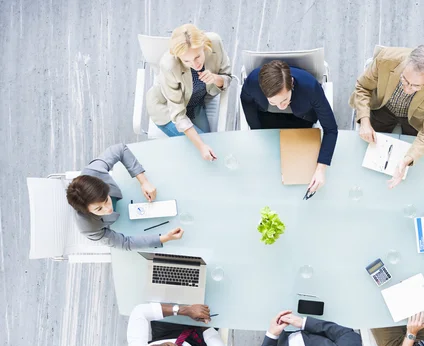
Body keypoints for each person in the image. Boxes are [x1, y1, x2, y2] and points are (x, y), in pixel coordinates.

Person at [349, 45, 424, 189]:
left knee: (414, 171)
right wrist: (365, 122)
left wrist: (407, 160)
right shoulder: (385, 59)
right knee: (365, 155)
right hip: (383, 108)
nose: (407, 89)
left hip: (414, 119)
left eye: (415, 86)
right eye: (404, 79)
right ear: (406, 64)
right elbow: (362, 87)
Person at [240, 60, 338, 193]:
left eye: (284, 100)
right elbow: (246, 100)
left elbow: (331, 129)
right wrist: (256, 130)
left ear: (291, 83)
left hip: (301, 121)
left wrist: (321, 170)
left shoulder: (310, 87)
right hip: (266, 119)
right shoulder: (252, 81)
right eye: (274, 102)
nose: (281, 107)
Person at [66, 144, 183, 250]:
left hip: (129, 195)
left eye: (106, 200)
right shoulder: (89, 228)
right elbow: (124, 243)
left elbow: (120, 149)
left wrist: (144, 182)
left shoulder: (93, 171)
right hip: (122, 224)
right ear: (87, 211)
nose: (108, 208)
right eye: (99, 209)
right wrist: (165, 238)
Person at [146, 24, 232, 161]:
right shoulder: (168, 65)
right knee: (202, 149)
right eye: (186, 60)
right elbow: (178, 115)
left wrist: (215, 78)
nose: (195, 64)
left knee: (211, 146)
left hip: (196, 104)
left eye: (198, 56)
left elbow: (227, 77)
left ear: (204, 45)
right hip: (167, 110)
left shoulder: (215, 42)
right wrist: (201, 146)